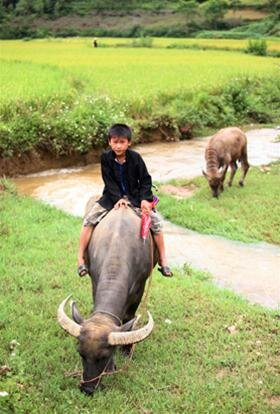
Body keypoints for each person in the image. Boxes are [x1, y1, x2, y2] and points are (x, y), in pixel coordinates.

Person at [77, 123, 173, 278]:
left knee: (156, 224)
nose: (118, 146)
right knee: (89, 221)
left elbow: (146, 180)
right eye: (115, 142)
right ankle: (81, 258)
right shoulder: (106, 158)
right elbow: (108, 181)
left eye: (122, 142)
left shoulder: (136, 158)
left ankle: (163, 260)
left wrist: (144, 200)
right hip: (111, 197)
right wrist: (117, 199)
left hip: (135, 197)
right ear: (109, 142)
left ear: (129, 143)